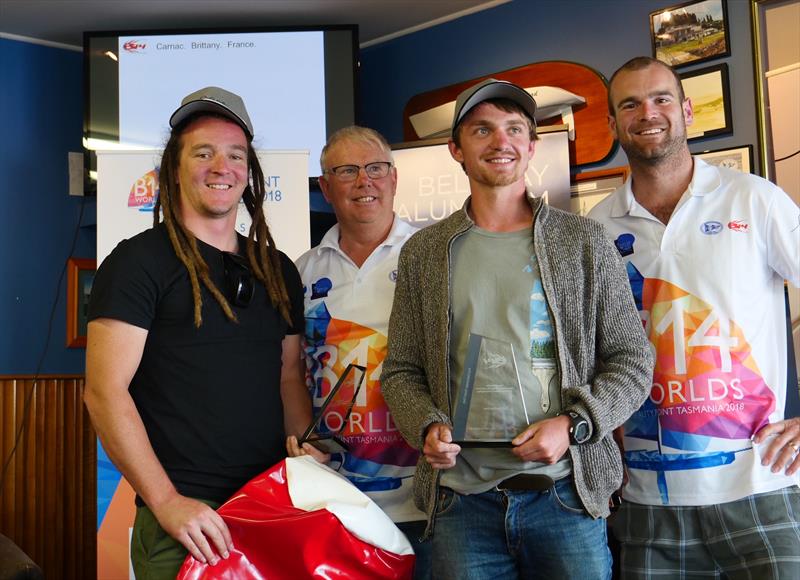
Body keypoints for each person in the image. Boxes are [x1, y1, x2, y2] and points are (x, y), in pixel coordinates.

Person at [380, 78, 654, 579]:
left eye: (513, 129)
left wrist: (574, 425)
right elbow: (400, 371)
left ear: (532, 147)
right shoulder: (424, 253)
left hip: (565, 498)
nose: (499, 141)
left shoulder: (584, 242)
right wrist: (425, 426)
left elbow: (632, 362)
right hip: (460, 505)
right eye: (481, 130)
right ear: (455, 150)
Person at [84, 87, 309, 578]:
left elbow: (288, 377)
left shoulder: (277, 268)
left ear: (248, 171)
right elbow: (104, 393)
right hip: (187, 519)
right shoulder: (138, 262)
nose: (220, 166)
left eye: (234, 154)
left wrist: (304, 453)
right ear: (174, 167)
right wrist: (166, 502)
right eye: (202, 152)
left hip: (269, 505)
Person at [588, 56, 800, 578]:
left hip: (760, 484)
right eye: (630, 104)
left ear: (685, 110)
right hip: (645, 502)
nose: (648, 113)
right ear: (613, 125)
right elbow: (590, 351)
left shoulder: (753, 199)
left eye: (661, 99)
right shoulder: (594, 227)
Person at [286, 126, 431, 578]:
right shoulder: (302, 271)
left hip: (428, 495)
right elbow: (290, 371)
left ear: (393, 178)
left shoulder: (433, 254)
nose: (364, 181)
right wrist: (304, 444)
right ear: (326, 188)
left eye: (374, 168)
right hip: (339, 496)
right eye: (347, 171)